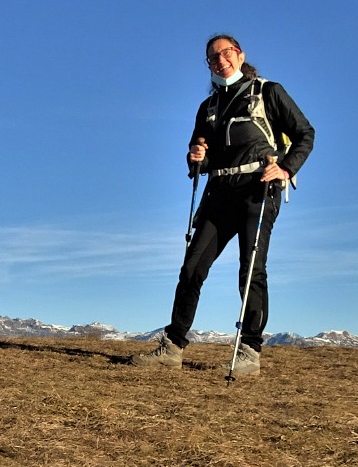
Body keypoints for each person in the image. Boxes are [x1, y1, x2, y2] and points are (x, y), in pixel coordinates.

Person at [131, 34, 315, 374]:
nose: (220, 61)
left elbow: (306, 133)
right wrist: (195, 156)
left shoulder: (269, 92)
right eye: (212, 58)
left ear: (240, 55)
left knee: (251, 271)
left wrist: (286, 167)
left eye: (226, 53)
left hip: (257, 190)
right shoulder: (208, 108)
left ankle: (249, 353)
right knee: (192, 268)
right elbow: (197, 157)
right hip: (218, 193)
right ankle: (171, 348)